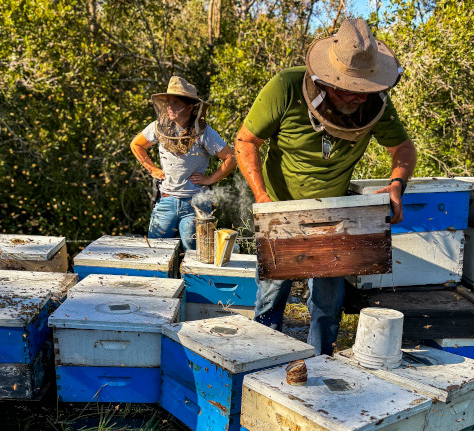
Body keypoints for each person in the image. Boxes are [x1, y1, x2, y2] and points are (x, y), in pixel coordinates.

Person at [234, 18, 417, 355]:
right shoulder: (286, 87)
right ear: (322, 79)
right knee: (271, 297)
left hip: (335, 215)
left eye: (363, 90)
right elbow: (246, 142)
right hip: (280, 210)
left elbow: (403, 149)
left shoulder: (376, 104)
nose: (355, 97)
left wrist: (396, 185)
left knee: (328, 307)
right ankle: (260, 364)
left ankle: (320, 367)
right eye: (346, 87)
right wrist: (262, 198)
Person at [131, 76, 236, 250]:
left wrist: (210, 179)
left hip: (196, 202)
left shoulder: (204, 132)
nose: (170, 108)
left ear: (190, 107)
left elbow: (231, 158)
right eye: (168, 103)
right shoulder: (159, 126)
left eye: (176, 104)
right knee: (156, 251)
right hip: (166, 200)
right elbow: (136, 144)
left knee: (194, 254)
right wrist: (152, 169)